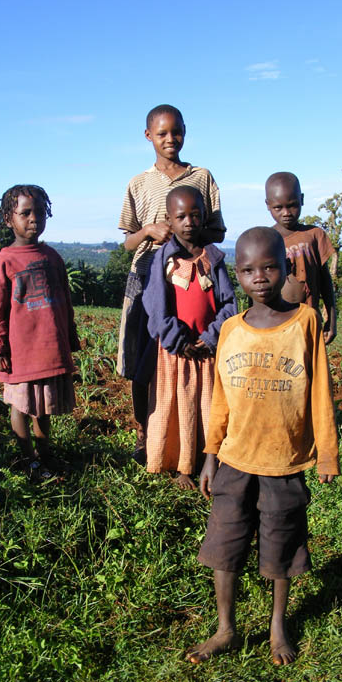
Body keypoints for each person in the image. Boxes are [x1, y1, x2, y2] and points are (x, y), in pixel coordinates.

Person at [186, 226, 339, 666]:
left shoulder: (305, 322)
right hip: (235, 459)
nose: (259, 277)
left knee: (281, 547)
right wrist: (211, 455)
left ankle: (277, 626)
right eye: (248, 270)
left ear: (285, 267)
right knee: (225, 545)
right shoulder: (231, 329)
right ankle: (226, 628)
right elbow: (220, 398)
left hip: (284, 460)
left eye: (269, 267)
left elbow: (320, 393)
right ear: (237, 274)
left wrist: (326, 451)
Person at [117, 104, 227, 462]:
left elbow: (218, 231)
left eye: (175, 131)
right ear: (148, 136)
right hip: (146, 275)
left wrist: (183, 233)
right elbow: (127, 241)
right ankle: (144, 431)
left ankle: (193, 435)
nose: (170, 139)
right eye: (161, 133)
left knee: (190, 356)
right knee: (142, 359)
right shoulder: (138, 182)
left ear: (185, 131)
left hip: (193, 277)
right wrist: (149, 231)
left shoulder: (202, 177)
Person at [0, 185, 80, 479]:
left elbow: (65, 302)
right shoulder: (4, 262)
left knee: (44, 407)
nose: (34, 219)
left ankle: (45, 454)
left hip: (49, 349)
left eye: (39, 212)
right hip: (21, 352)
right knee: (21, 405)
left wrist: (70, 336)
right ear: (9, 219)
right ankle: (28, 460)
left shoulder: (52, 257)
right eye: (25, 213)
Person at [141, 186, 237, 488]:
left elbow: (229, 304)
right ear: (169, 219)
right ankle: (182, 466)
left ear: (204, 216)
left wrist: (210, 338)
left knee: (207, 407)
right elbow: (154, 304)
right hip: (175, 353)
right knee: (178, 406)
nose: (189, 222)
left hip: (207, 352)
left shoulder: (214, 258)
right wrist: (177, 338)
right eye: (181, 216)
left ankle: (207, 461)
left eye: (195, 215)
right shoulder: (163, 260)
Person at [265, 171, 337, 344]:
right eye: (278, 207)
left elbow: (325, 281)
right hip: (276, 325)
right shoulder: (266, 240)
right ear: (268, 205)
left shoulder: (314, 235)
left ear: (302, 199)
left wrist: (332, 320)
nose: (286, 212)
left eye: (292, 205)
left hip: (309, 323)